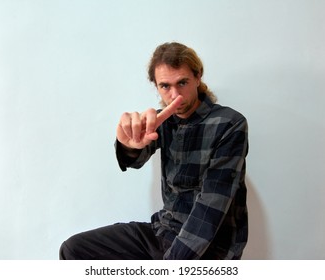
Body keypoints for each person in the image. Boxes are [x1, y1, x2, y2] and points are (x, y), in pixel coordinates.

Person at [59, 42, 249, 260]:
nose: (175, 94)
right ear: (156, 86)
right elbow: (135, 158)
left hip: (211, 247)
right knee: (74, 250)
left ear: (198, 77)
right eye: (165, 86)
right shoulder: (162, 121)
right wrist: (130, 145)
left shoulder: (229, 123)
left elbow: (211, 208)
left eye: (183, 82)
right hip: (165, 230)